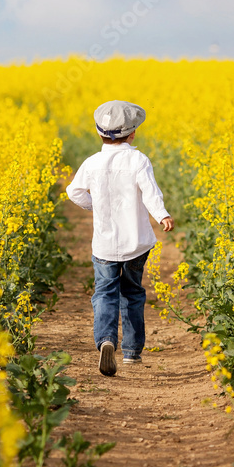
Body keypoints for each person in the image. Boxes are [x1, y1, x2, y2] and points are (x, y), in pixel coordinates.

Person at [65, 100, 174, 377]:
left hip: (104, 244)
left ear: (99, 133)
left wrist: (94, 205)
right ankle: (132, 352)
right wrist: (162, 215)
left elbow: (74, 192)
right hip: (136, 243)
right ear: (133, 133)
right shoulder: (138, 160)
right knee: (133, 292)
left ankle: (106, 340)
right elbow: (151, 193)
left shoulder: (92, 163)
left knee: (104, 292)